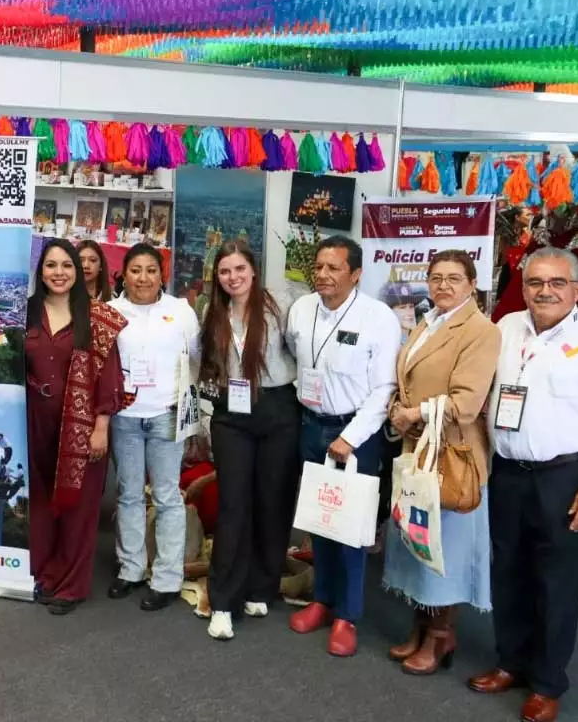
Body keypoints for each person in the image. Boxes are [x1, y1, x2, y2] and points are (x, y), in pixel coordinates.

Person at [468, 247, 578, 722]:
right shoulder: (506, 327)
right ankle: (511, 661)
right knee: (507, 571)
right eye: (535, 283)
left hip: (566, 477)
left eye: (556, 283)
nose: (544, 291)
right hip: (508, 472)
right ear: (524, 286)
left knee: (557, 582)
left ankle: (549, 682)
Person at [383, 250, 500, 674]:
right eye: (436, 277)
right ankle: (420, 626)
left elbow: (466, 403)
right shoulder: (427, 321)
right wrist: (399, 404)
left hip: (454, 458)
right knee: (418, 543)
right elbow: (407, 378)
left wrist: (413, 414)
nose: (443, 285)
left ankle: (441, 637)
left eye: (454, 278)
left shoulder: (480, 331)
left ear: (472, 284)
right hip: (418, 452)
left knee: (444, 552)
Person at [285, 235, 401, 657]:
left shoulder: (378, 318)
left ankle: (347, 616)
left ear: (355, 274)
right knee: (318, 522)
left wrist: (349, 438)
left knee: (350, 528)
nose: (323, 275)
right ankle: (321, 599)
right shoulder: (300, 310)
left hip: (356, 436)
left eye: (334, 268)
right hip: (310, 425)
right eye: (319, 267)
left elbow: (384, 387)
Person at [197, 241, 300, 641]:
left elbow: (301, 356)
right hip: (231, 414)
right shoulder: (212, 311)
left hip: (277, 408)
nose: (233, 277)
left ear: (253, 271)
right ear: (217, 276)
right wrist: (204, 415)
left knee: (272, 501)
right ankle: (223, 601)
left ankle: (262, 585)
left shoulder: (278, 308)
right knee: (233, 505)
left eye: (240, 269)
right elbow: (203, 363)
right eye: (225, 271)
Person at [26, 239, 125, 615]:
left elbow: (110, 377)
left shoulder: (96, 318)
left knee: (78, 508)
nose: (59, 273)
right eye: (51, 266)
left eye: (66, 265)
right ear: (41, 271)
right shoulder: (27, 312)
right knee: (39, 504)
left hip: (81, 427)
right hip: (34, 422)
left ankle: (70, 585)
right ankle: (43, 573)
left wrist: (100, 427)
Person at [108, 243, 200, 612]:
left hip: (165, 414)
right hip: (124, 418)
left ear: (162, 274)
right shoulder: (111, 313)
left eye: (150, 270)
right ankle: (130, 569)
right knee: (128, 494)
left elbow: (194, 360)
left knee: (167, 497)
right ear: (124, 274)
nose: (143, 277)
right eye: (135, 270)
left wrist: (192, 416)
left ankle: (166, 578)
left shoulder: (180, 312)